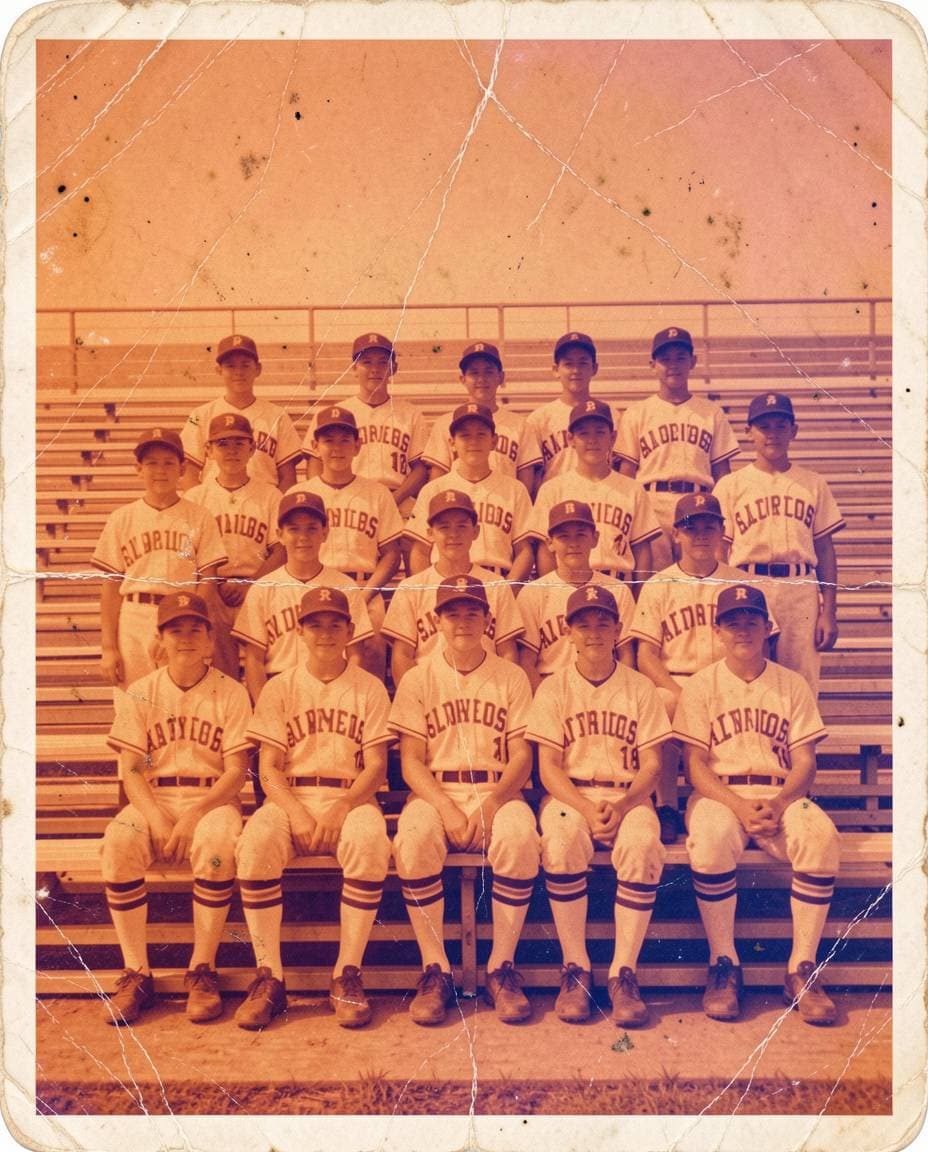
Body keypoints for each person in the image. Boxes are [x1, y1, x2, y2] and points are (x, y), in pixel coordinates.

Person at [674, 584, 841, 1025]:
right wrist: (739, 805)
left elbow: (806, 760)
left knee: (821, 836)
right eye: (733, 622)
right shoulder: (700, 685)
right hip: (720, 793)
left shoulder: (792, 684)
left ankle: (801, 968)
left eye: (752, 621)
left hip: (780, 792)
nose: (743, 630)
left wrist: (783, 799)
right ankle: (723, 963)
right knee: (708, 838)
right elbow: (694, 766)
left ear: (769, 628)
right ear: (719, 631)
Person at [234, 587, 393, 1029]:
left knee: (369, 840)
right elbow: (267, 769)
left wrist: (343, 804)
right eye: (316, 624)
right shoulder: (280, 687)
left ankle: (346, 973)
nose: (326, 632)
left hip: (351, 793)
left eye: (335, 624)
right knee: (255, 842)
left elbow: (377, 767)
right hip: (291, 796)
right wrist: (296, 811)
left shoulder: (370, 688)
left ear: (349, 630)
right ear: (300, 631)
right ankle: (270, 977)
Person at [389, 576, 540, 1025]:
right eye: (452, 612)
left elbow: (522, 757)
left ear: (489, 621)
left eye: (472, 612)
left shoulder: (511, 676)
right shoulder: (418, 678)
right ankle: (434, 969)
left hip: (496, 787)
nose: (462, 621)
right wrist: (448, 808)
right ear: (436, 622)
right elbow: (411, 761)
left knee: (518, 836)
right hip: (437, 790)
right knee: (413, 839)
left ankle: (501, 967)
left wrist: (491, 804)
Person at [98, 592, 251, 1025]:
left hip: (212, 798)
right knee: (118, 841)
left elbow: (237, 771)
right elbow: (131, 769)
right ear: (160, 639)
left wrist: (193, 813)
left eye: (195, 629)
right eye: (175, 630)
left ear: (209, 639)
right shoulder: (141, 692)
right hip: (154, 797)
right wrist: (156, 814)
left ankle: (202, 969)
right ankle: (136, 972)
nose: (185, 638)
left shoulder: (232, 692)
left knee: (218, 842)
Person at [525, 585, 672, 1027]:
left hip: (628, 794)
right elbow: (548, 767)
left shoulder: (641, 687)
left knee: (644, 845)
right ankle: (576, 968)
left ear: (618, 629)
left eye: (603, 622)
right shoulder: (553, 689)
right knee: (563, 838)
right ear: (568, 633)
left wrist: (626, 803)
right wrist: (587, 810)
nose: (594, 632)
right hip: (571, 795)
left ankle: (623, 972)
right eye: (583, 624)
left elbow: (653, 764)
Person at [631, 493, 778, 844]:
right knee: (663, 703)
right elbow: (646, 655)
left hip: (729, 680)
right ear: (676, 534)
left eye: (709, 527)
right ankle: (666, 805)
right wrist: (683, 694)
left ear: (722, 532)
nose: (700, 535)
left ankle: (733, 799)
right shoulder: (658, 585)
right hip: (676, 681)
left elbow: (766, 647)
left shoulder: (742, 584)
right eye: (690, 528)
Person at [713, 391, 844, 691]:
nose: (772, 434)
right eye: (764, 427)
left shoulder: (813, 483)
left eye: (780, 426)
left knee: (802, 682)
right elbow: (720, 553)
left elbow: (824, 549)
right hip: (748, 584)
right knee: (751, 678)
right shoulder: (731, 485)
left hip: (800, 590)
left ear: (794, 431)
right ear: (749, 433)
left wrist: (829, 611)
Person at [92, 428, 227, 691]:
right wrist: (108, 647)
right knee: (133, 703)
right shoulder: (122, 518)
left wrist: (193, 621)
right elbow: (110, 588)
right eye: (151, 463)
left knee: (180, 701)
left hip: (182, 617)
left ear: (182, 468)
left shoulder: (199, 517)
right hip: (135, 616)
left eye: (168, 463)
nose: (160, 471)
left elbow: (208, 580)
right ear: (138, 469)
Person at [288, 404, 404, 677]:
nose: (337, 448)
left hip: (364, 587)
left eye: (345, 440)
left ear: (358, 445)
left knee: (372, 646)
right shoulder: (299, 493)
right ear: (315, 445)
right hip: (312, 589)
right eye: (329, 441)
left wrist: (364, 595)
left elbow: (391, 554)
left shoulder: (377, 493)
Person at [616, 326, 740, 571]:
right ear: (652, 364)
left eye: (680, 358)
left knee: (700, 577)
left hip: (699, 503)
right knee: (655, 580)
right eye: (665, 359)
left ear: (692, 362)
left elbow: (723, 474)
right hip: (652, 503)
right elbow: (626, 474)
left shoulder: (710, 412)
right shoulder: (637, 413)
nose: (673, 365)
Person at [232, 491, 373, 704]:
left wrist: (344, 699)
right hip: (278, 687)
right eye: (293, 529)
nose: (303, 537)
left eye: (312, 529)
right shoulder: (262, 589)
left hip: (334, 689)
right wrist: (265, 709)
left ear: (324, 533)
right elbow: (254, 661)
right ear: (279, 534)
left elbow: (355, 655)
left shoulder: (345, 586)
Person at [382, 489, 524, 686]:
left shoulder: (497, 586)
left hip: (486, 691)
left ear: (475, 532)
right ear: (430, 534)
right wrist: (417, 697)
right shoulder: (411, 588)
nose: (453, 535)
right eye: (444, 527)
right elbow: (402, 656)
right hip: (431, 690)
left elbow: (507, 652)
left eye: (462, 526)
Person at [185, 413, 284, 677]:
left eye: (239, 443)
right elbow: (186, 553)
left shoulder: (270, 495)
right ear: (208, 450)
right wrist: (210, 584)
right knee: (220, 663)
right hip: (212, 587)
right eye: (223, 444)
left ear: (252, 448)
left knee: (264, 661)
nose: (231, 451)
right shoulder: (196, 497)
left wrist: (252, 582)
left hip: (258, 584)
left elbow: (281, 550)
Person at [530, 400, 661, 589]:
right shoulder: (552, 489)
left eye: (600, 432)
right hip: (569, 584)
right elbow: (545, 551)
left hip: (618, 583)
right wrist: (555, 592)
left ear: (613, 437)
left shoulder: (633, 489)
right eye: (583, 433)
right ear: (571, 439)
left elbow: (642, 551)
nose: (592, 440)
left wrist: (639, 597)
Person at [405, 403, 534, 587]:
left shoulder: (515, 489)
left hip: (496, 580)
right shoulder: (433, 489)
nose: (473, 442)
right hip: (444, 584)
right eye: (464, 435)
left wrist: (508, 591)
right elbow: (420, 551)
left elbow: (524, 551)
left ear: (494, 441)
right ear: (452, 443)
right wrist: (428, 591)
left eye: (481, 434)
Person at [302, 332, 429, 515]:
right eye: (366, 362)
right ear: (354, 368)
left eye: (383, 362)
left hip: (396, 501)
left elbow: (421, 469)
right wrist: (324, 497)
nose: (375, 369)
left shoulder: (411, 414)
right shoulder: (332, 414)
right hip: (346, 499)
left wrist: (394, 499)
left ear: (394, 368)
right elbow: (315, 461)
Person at [517, 499, 635, 694]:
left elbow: (626, 656)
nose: (573, 544)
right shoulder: (533, 593)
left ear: (595, 538)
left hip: (607, 689)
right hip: (552, 688)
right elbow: (526, 662)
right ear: (550, 543)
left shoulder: (618, 590)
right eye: (564, 537)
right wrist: (546, 701)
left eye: (580, 535)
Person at [181, 334, 301, 492]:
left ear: (257, 369)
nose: (239, 372)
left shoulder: (278, 416)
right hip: (214, 505)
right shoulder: (199, 415)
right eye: (230, 366)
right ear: (219, 370)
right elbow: (190, 475)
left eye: (245, 365)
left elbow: (288, 477)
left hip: (263, 506)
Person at [421, 341, 541, 495]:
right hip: (457, 512)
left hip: (502, 510)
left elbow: (526, 489)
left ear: (501, 377)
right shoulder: (445, 423)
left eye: (489, 372)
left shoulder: (521, 426)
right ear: (462, 379)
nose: (481, 379)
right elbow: (436, 484)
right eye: (474, 373)